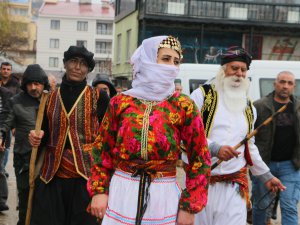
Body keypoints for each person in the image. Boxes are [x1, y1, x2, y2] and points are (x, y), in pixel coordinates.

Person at [87, 35, 211, 225]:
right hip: (122, 190)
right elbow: (101, 150)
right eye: (165, 59)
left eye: (176, 61)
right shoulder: (120, 102)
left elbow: (200, 158)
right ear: (148, 59)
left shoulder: (183, 105)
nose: (171, 66)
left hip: (163, 194)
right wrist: (99, 191)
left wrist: (189, 206)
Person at [189, 46, 285, 225]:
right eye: (234, 68)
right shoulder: (202, 96)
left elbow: (249, 146)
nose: (239, 73)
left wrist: (266, 176)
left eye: (243, 70)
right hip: (201, 183)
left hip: (234, 187)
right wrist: (214, 148)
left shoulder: (249, 107)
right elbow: (188, 134)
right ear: (223, 70)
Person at [28, 45, 110, 225]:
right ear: (65, 64)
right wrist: (35, 137)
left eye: (83, 63)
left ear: (88, 69)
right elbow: (43, 132)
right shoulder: (48, 97)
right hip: (52, 176)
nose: (77, 67)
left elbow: (107, 139)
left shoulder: (99, 97)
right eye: (73, 61)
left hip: (85, 177)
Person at [0, 64, 50, 225]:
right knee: (25, 200)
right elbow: (5, 123)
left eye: (37, 84)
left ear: (43, 84)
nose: (33, 87)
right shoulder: (16, 101)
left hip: (47, 159)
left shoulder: (51, 100)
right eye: (30, 84)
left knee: (43, 201)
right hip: (24, 160)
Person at [251, 71, 300, 225]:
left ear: (294, 86)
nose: (285, 86)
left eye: (289, 83)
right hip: (264, 165)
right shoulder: (260, 106)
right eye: (282, 82)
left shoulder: (299, 107)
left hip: (291, 165)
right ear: (275, 84)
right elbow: (249, 136)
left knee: (289, 206)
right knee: (260, 206)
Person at [0, 62, 21, 176]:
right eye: (4, 69)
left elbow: (18, 103)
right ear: (0, 70)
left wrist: (15, 124)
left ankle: (2, 168)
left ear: (11, 71)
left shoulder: (16, 83)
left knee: (6, 146)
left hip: (8, 119)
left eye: (8, 69)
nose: (6, 71)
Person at [0, 86, 12, 212]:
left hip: (1, 135)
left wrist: (1, 137)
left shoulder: (6, 95)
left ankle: (1, 200)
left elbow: (6, 118)